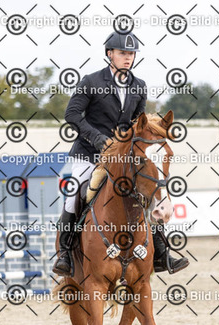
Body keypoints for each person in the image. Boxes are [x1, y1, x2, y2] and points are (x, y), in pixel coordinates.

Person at [53, 31, 189, 276]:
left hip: (123, 158)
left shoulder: (139, 86)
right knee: (74, 194)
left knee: (147, 192)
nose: (128, 58)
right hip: (89, 154)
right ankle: (65, 254)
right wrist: (97, 138)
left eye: (131, 54)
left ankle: (161, 253)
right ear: (110, 54)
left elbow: (138, 123)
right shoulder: (91, 82)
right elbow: (71, 114)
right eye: (122, 53)